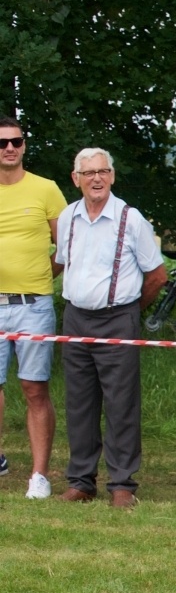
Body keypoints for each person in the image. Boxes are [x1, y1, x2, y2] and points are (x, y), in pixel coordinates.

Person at [55, 148, 166, 507]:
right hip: (75, 318)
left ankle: (122, 484)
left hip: (118, 318)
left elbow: (157, 275)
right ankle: (81, 481)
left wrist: (130, 312)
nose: (97, 179)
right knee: (79, 403)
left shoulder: (131, 219)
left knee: (121, 404)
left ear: (113, 176)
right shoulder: (68, 217)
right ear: (76, 179)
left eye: (103, 171)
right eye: (89, 173)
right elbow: (63, 263)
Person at [0, 115, 68, 498]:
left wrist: (42, 274)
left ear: (24, 146)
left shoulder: (46, 189)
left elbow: (66, 247)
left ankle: (39, 475)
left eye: (16, 141)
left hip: (34, 305)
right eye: (2, 143)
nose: (9, 148)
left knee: (34, 388)